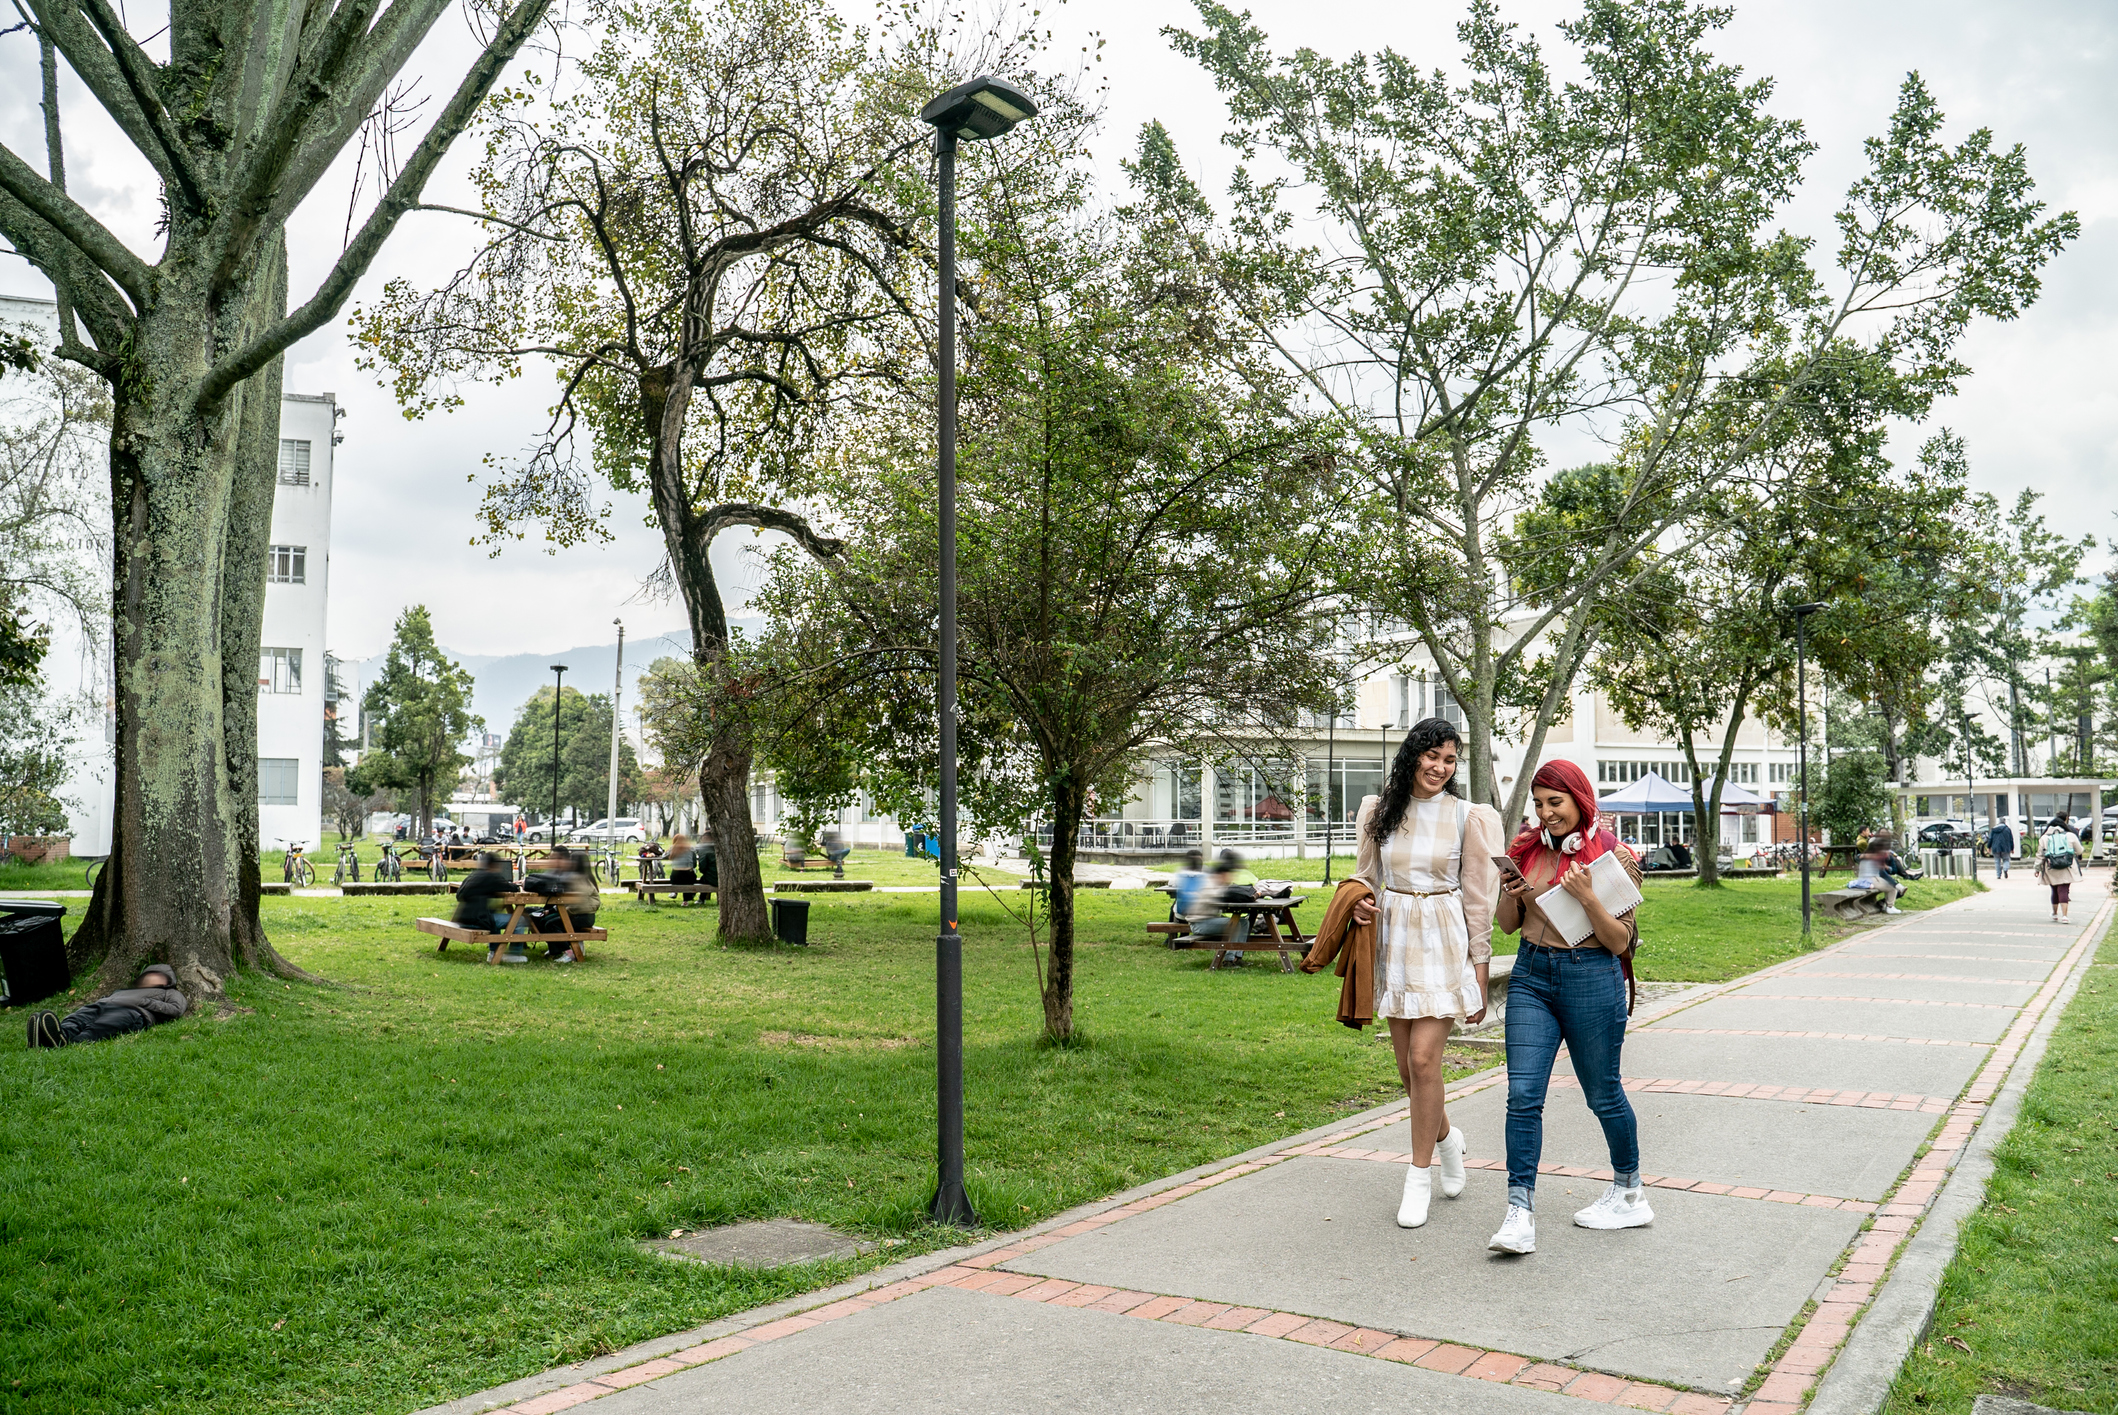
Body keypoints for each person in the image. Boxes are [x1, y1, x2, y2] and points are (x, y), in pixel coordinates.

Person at [1345, 717, 1501, 1229]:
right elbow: (1364, 876)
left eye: (1450, 759)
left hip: (1443, 938)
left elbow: (1479, 898)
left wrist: (1480, 969)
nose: (1440, 767)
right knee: (1408, 1072)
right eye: (1432, 756)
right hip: (1394, 941)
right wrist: (1361, 903)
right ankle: (1449, 1139)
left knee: (1424, 1059)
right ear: (1413, 755)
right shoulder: (1378, 809)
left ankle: (1418, 1177)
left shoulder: (1467, 816)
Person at [1490, 758, 1649, 1255]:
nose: (1545, 813)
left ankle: (1629, 1191)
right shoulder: (1527, 850)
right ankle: (1519, 1213)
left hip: (1590, 978)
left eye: (1554, 803)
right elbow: (1508, 926)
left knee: (1602, 1093)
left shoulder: (1614, 858)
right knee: (1523, 1095)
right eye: (1538, 804)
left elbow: (1620, 939)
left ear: (1579, 799)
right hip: (1532, 977)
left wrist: (1588, 899)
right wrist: (1511, 893)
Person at [27, 966, 188, 1048]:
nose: (151, 979)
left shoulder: (170, 993)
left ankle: (70, 1042)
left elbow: (176, 1010)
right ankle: (56, 1035)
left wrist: (143, 1003)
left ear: (167, 981)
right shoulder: (128, 989)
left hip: (133, 1012)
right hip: (102, 1004)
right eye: (149, 975)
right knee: (78, 1017)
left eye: (157, 977)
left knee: (103, 1025)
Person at [454, 852, 520, 961]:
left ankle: (494, 951)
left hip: (464, 918)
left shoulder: (474, 875)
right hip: (478, 920)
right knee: (519, 920)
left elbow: (459, 895)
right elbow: (512, 888)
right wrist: (518, 884)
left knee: (495, 916)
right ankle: (514, 954)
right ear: (493, 865)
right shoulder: (490, 876)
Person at [2035, 814, 2084, 923]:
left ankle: (2055, 913)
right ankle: (2065, 916)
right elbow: (2080, 850)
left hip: (2051, 866)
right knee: (2064, 889)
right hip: (2067, 866)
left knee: (2054, 889)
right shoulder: (2070, 836)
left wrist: (2037, 869)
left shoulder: (2044, 838)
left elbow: (2040, 855)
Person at [1169, 848, 1208, 923]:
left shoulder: (1181, 874)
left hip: (1182, 914)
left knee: (1176, 905)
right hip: (1201, 914)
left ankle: (1174, 931)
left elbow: (1171, 882)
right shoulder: (1206, 876)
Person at [667, 832, 702, 903]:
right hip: (688, 875)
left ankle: (674, 891)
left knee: (674, 875)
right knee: (689, 881)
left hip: (676, 876)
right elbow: (694, 863)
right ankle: (685, 901)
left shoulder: (672, 848)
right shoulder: (691, 848)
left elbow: (664, 855)